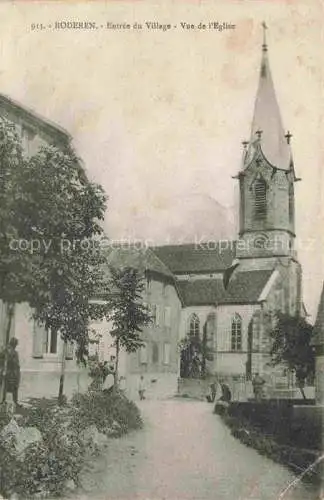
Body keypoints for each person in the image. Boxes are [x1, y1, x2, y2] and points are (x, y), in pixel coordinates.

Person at [0, 337, 21, 405]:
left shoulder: (14, 352)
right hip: (8, 372)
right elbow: (3, 361)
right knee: (5, 387)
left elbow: (17, 364)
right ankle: (3, 400)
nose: (15, 346)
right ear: (13, 344)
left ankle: (14, 401)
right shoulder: (6, 352)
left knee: (13, 387)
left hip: (12, 372)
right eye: (15, 344)